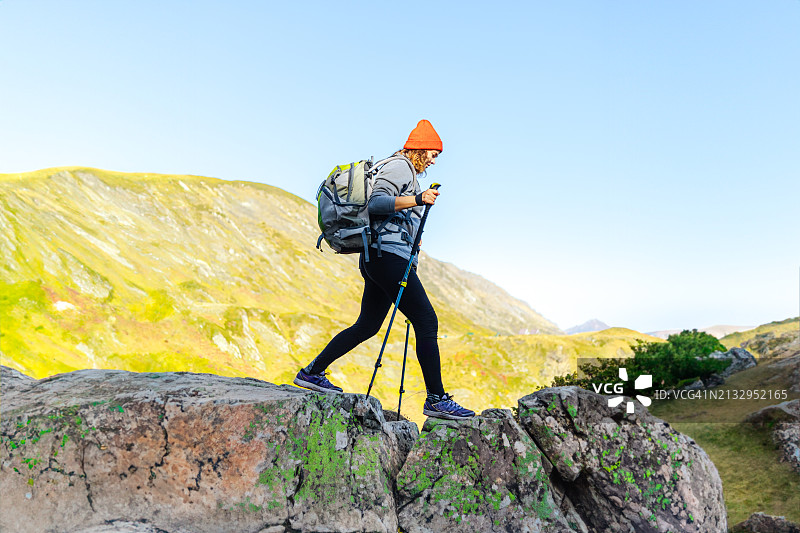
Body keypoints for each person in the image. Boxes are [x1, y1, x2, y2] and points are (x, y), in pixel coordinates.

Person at [294, 120, 475, 420]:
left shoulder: (406, 172)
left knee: (367, 325)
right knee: (427, 321)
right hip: (387, 257)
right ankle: (437, 399)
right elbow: (376, 203)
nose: (434, 159)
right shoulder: (399, 166)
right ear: (418, 148)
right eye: (432, 152)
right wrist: (417, 199)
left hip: (380, 256)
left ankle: (311, 372)